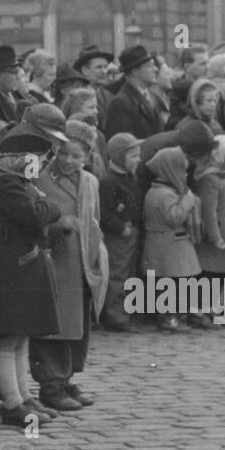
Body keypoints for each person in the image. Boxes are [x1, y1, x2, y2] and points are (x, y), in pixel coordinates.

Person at [0, 123, 65, 426]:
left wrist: (45, 204)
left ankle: (24, 395)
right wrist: (50, 205)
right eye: (39, 157)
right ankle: (12, 401)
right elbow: (36, 215)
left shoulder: (19, 181)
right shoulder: (7, 183)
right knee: (8, 337)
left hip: (22, 262)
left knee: (20, 337)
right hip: (11, 264)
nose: (43, 164)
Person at [34, 134, 105, 399]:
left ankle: (65, 378)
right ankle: (50, 384)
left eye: (77, 156)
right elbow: (32, 215)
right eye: (63, 153)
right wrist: (57, 224)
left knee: (77, 325)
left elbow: (94, 220)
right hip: (55, 261)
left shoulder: (90, 182)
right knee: (55, 326)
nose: (68, 161)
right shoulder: (42, 178)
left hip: (81, 263)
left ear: (86, 157)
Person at [143, 148, 204, 331]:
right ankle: (168, 318)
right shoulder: (163, 194)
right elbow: (174, 218)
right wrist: (187, 202)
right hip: (168, 243)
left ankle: (180, 314)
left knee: (178, 282)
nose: (185, 175)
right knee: (169, 283)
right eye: (182, 171)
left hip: (171, 243)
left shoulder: (164, 191)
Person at [97, 133, 143, 333]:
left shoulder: (129, 177)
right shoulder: (109, 181)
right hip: (117, 235)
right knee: (117, 274)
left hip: (129, 231)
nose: (138, 160)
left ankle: (123, 312)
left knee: (127, 273)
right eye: (133, 156)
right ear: (119, 157)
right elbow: (105, 212)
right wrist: (120, 227)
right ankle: (115, 316)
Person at [193, 134, 225, 322]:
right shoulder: (210, 177)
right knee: (213, 273)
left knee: (223, 273)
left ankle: (219, 311)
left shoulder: (224, 174)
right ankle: (207, 311)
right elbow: (208, 211)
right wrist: (214, 236)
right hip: (218, 232)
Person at [103, 45, 165, 141]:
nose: (156, 69)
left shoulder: (153, 98)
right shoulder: (120, 103)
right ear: (135, 71)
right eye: (150, 66)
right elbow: (122, 147)